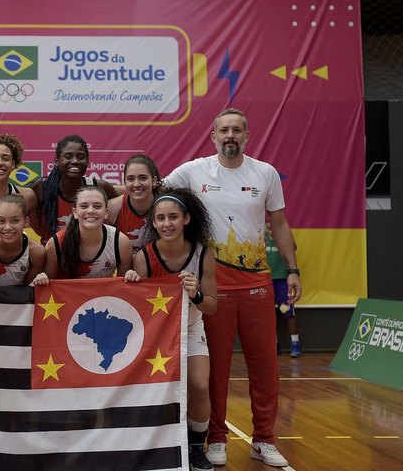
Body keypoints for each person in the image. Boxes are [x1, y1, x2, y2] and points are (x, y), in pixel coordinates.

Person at [163, 108, 301, 468]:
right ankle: (216, 437)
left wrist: (293, 269)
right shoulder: (193, 172)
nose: (230, 136)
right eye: (223, 130)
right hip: (213, 287)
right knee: (216, 368)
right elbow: (152, 193)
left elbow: (281, 223)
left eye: (236, 130)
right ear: (213, 136)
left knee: (265, 365)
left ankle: (264, 439)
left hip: (257, 285)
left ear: (246, 135)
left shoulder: (265, 173)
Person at [124, 188, 217, 471]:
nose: (167, 224)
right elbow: (136, 306)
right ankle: (152, 444)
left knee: (200, 385)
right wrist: (130, 280)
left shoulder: (203, 254)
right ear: (153, 222)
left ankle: (196, 446)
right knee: (150, 389)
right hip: (154, 333)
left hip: (190, 327)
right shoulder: (145, 256)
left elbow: (212, 305)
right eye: (161, 218)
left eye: (173, 217)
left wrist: (196, 294)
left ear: (186, 219)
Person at [32, 185, 131, 284]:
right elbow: (47, 289)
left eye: (97, 206)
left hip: (104, 298)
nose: (91, 211)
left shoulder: (120, 242)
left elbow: (123, 287)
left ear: (106, 212)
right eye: (84, 206)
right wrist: (42, 279)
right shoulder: (56, 244)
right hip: (68, 298)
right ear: (74, 212)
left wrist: (131, 277)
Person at [30, 135, 119, 243]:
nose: (75, 161)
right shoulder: (41, 188)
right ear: (57, 160)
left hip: (89, 255)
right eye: (68, 156)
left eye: (81, 157)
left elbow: (124, 210)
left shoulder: (102, 188)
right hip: (51, 256)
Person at [0, 194, 45, 285]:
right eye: (1, 221)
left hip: (17, 298)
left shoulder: (36, 252)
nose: (7, 227)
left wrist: (39, 282)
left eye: (15, 221)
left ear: (26, 222)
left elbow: (28, 290)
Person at [106, 154, 161, 250]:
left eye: (143, 178)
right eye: (131, 179)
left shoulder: (166, 206)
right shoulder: (112, 208)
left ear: (154, 181)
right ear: (125, 182)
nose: (136, 184)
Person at [265, 222, 301, 357]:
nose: (270, 227)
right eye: (267, 224)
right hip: (267, 281)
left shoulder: (283, 240)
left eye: (271, 224)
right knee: (268, 315)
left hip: (283, 281)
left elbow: (293, 247)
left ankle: (295, 343)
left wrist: (281, 234)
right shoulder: (263, 240)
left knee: (287, 312)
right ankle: (274, 344)